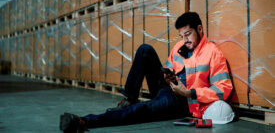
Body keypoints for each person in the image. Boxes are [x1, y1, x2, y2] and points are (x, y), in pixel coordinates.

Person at [59, 12, 233, 132]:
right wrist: (168, 75)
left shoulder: (213, 53)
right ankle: (130, 98)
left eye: (188, 34)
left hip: (182, 101)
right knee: (145, 49)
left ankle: (84, 121)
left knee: (141, 110)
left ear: (200, 29)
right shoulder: (180, 46)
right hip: (168, 87)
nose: (184, 40)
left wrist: (190, 92)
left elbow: (223, 88)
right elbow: (169, 65)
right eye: (181, 36)